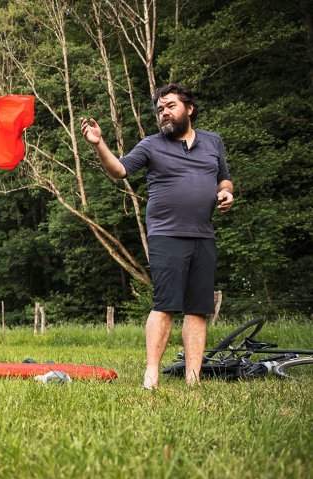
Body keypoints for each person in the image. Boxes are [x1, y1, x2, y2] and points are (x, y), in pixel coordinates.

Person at [80, 83, 234, 388]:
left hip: (203, 235)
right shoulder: (151, 145)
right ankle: (151, 373)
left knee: (199, 308)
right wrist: (99, 144)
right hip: (167, 234)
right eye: (160, 109)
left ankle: (193, 378)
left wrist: (227, 193)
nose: (164, 112)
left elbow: (224, 179)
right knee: (165, 303)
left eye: (170, 106)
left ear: (189, 109)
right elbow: (119, 170)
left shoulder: (213, 142)